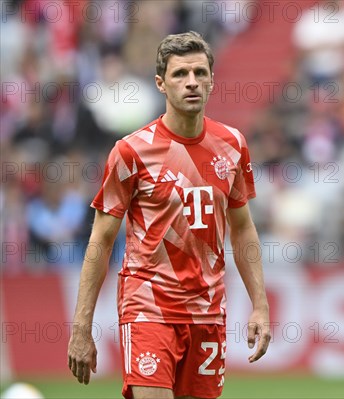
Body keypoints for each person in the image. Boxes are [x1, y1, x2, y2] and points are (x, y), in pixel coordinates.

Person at [67, 31, 271, 399]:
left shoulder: (233, 145)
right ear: (161, 83)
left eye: (199, 73)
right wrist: (82, 327)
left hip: (208, 313)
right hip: (149, 308)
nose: (191, 82)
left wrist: (260, 306)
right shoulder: (131, 152)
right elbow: (100, 239)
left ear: (212, 79)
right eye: (180, 74)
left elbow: (243, 229)